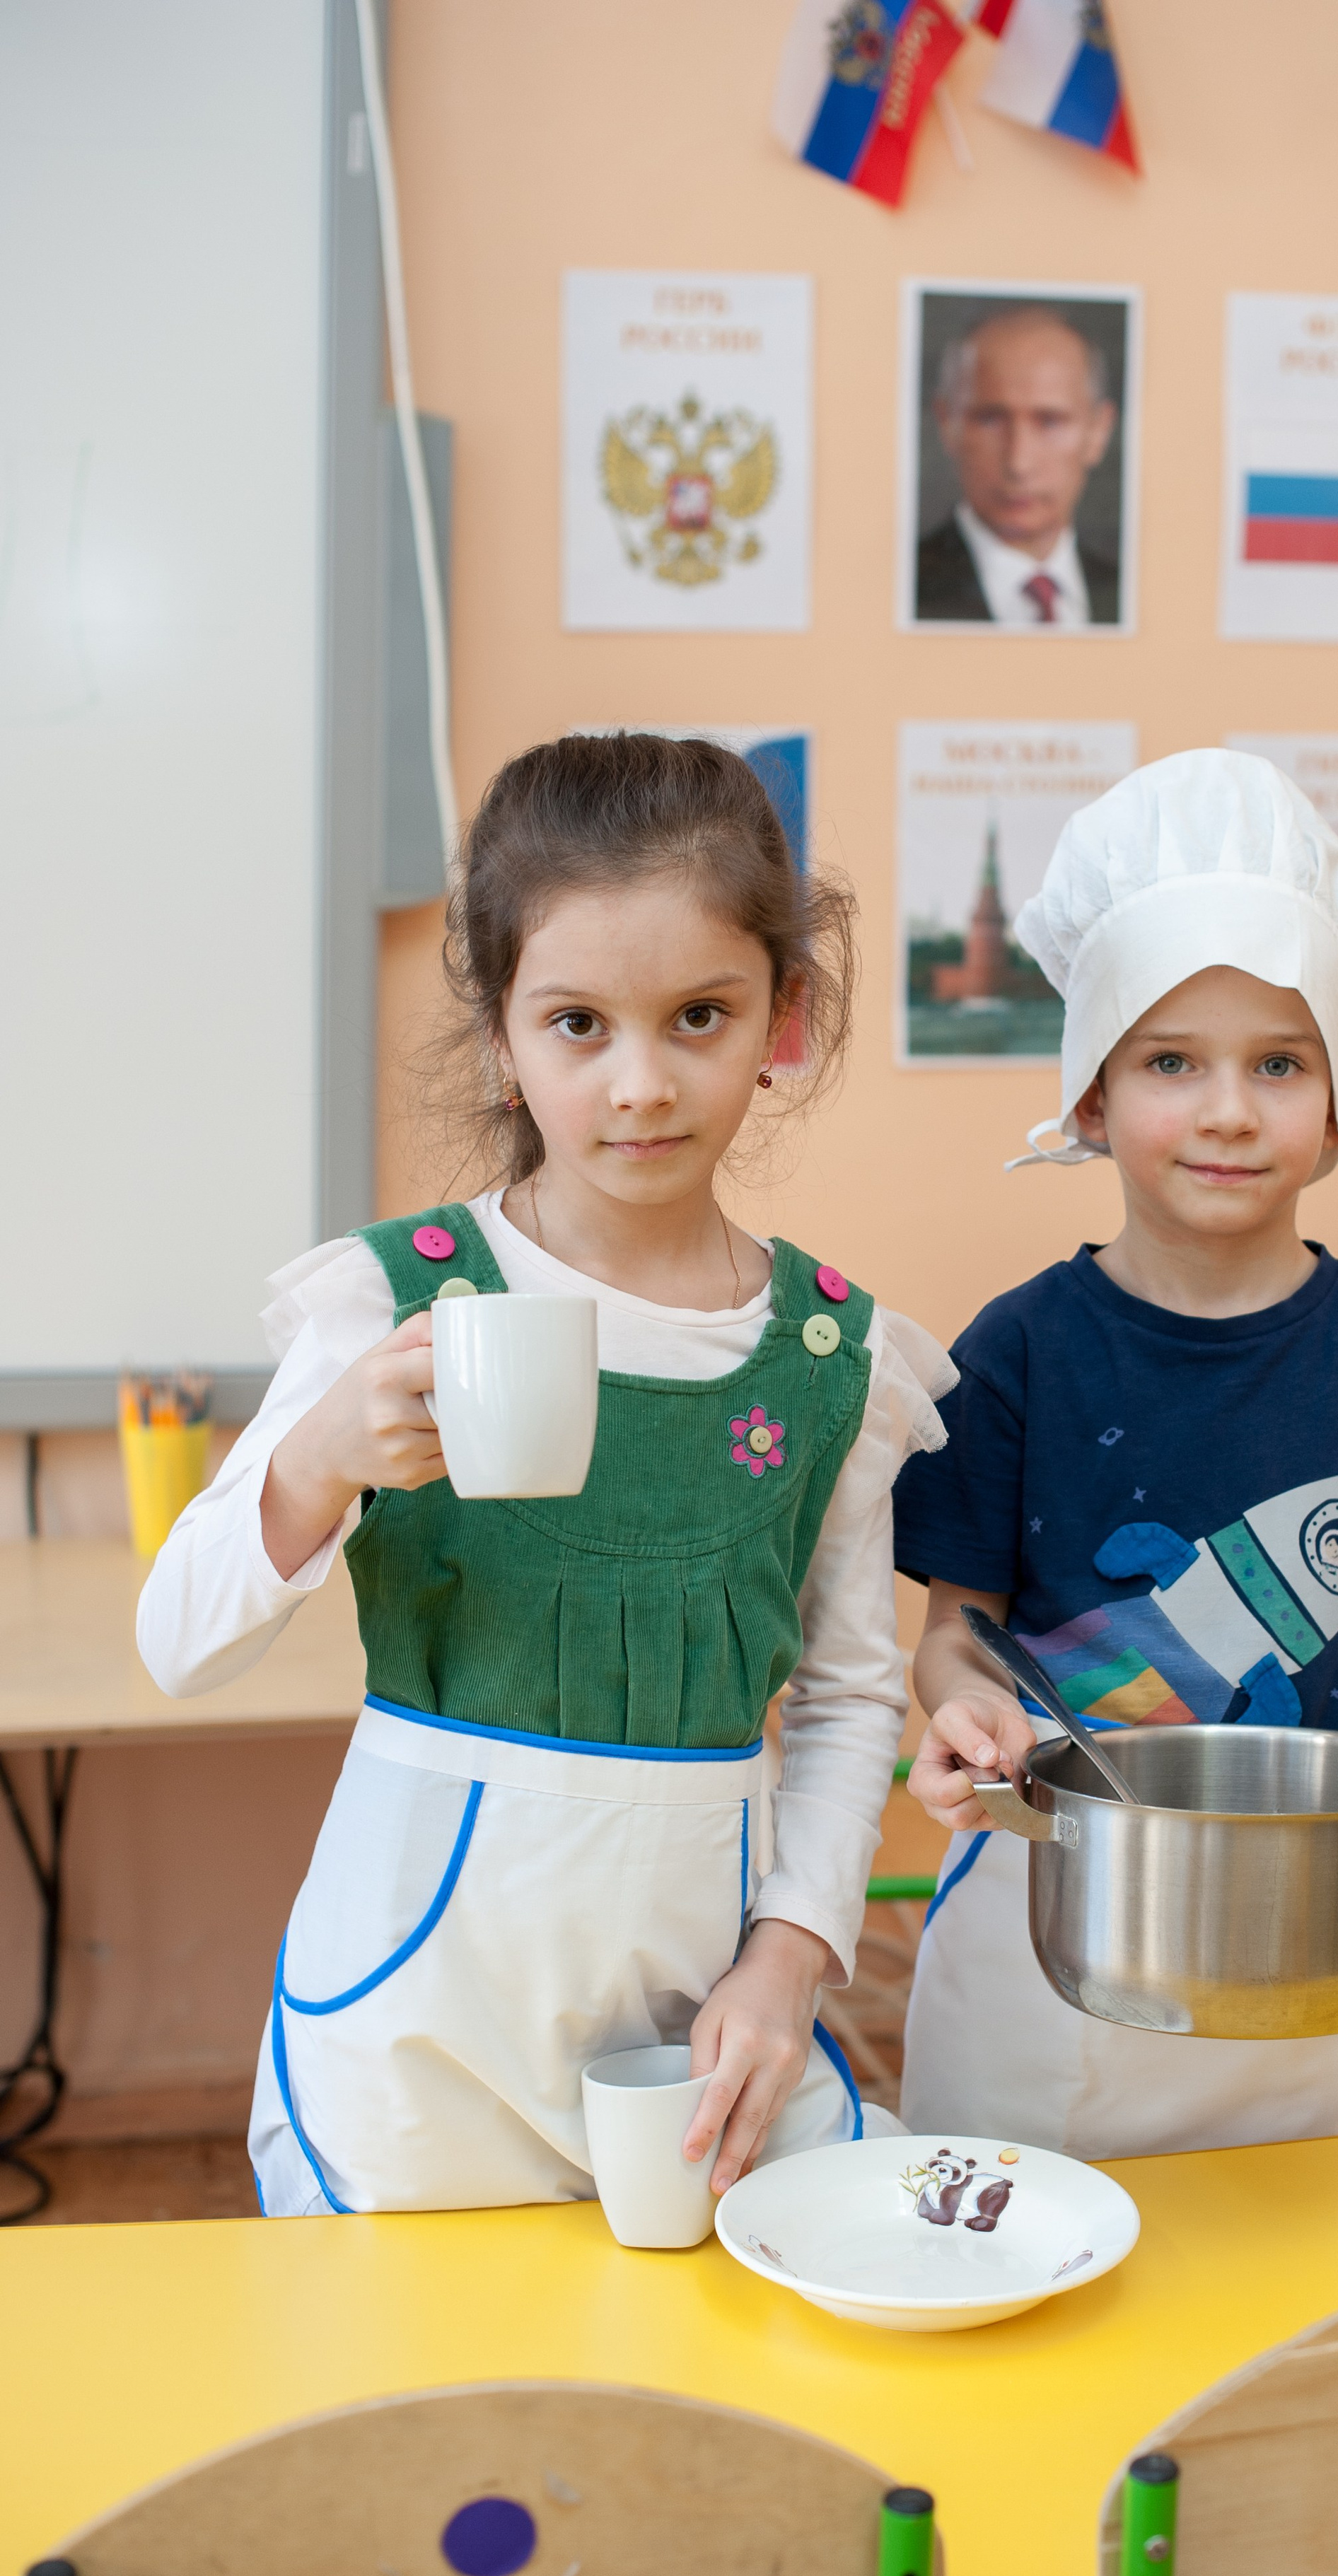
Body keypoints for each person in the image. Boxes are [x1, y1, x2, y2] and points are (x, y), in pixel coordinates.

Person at [139, 733, 954, 2217]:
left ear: (786, 1014)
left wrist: (790, 1960)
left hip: (698, 2026)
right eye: (577, 1023)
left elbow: (845, 1695)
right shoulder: (390, 1304)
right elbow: (179, 1642)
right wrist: (323, 1462)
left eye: (698, 1015)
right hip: (418, 2032)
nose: (638, 1084)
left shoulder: (835, 1354)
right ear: (502, 1031)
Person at [892, 747, 1338, 2160]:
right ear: (1087, 1100)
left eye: (1277, 1063)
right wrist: (966, 1719)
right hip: (1040, 1927)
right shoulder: (1014, 1352)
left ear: (1334, 1108)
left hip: (1297, 1949)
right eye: (1167, 1064)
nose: (1224, 1110)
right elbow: (956, 1635)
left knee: (1274, 2304)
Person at [914, 304, 1121, 626]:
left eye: (1050, 422)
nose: (1018, 463)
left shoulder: (1130, 592)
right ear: (946, 424)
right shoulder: (900, 588)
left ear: (1099, 432)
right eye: (989, 420)